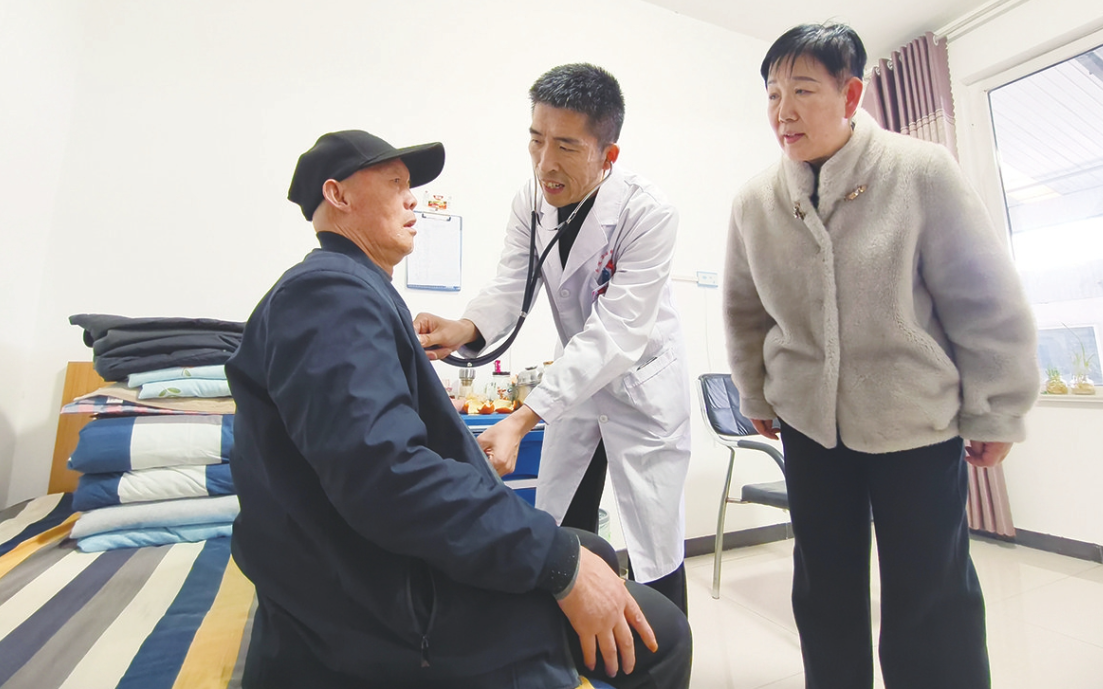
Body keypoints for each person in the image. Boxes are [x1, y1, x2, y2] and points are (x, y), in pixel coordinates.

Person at [225, 129, 691, 689]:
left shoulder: (350, 290)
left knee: (592, 547)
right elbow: (387, 477)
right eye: (395, 183)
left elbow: (371, 455)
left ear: (606, 153)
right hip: (383, 608)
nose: (413, 199)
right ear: (338, 195)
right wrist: (558, 562)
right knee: (663, 631)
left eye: (566, 145)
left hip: (369, 573)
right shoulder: (329, 296)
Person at [723, 24, 1038, 689]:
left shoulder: (920, 171)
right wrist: (755, 392)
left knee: (931, 594)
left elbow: (983, 298)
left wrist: (997, 407)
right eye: (773, 94)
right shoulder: (754, 201)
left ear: (851, 95)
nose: (783, 111)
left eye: (803, 91)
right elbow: (744, 311)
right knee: (823, 590)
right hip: (810, 426)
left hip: (913, 421)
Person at [413, 64, 692, 614]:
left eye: (566, 146)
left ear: (608, 155)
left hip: (641, 389)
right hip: (577, 388)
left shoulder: (647, 213)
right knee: (564, 526)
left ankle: (667, 648)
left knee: (655, 547)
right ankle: (571, 647)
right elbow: (511, 284)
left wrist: (521, 419)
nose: (545, 163)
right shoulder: (533, 201)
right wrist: (465, 328)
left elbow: (616, 333)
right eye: (536, 140)